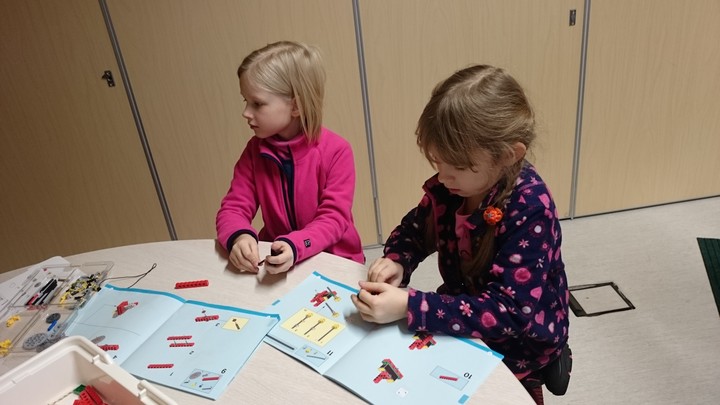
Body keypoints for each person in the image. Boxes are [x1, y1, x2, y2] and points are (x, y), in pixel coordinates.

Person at [350, 65, 570, 404]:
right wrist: (398, 259)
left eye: (457, 167)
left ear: (508, 155)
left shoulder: (530, 207)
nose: (443, 177)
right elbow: (416, 229)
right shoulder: (452, 187)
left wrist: (411, 305)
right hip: (463, 317)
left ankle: (539, 376)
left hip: (519, 344)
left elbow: (509, 312)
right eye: (438, 163)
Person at [217, 40, 364, 275]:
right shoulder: (254, 151)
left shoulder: (337, 151)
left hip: (334, 260)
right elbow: (234, 207)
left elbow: (334, 218)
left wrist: (296, 245)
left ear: (296, 106)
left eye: (257, 104)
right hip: (279, 258)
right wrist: (239, 236)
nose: (246, 113)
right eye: (246, 101)